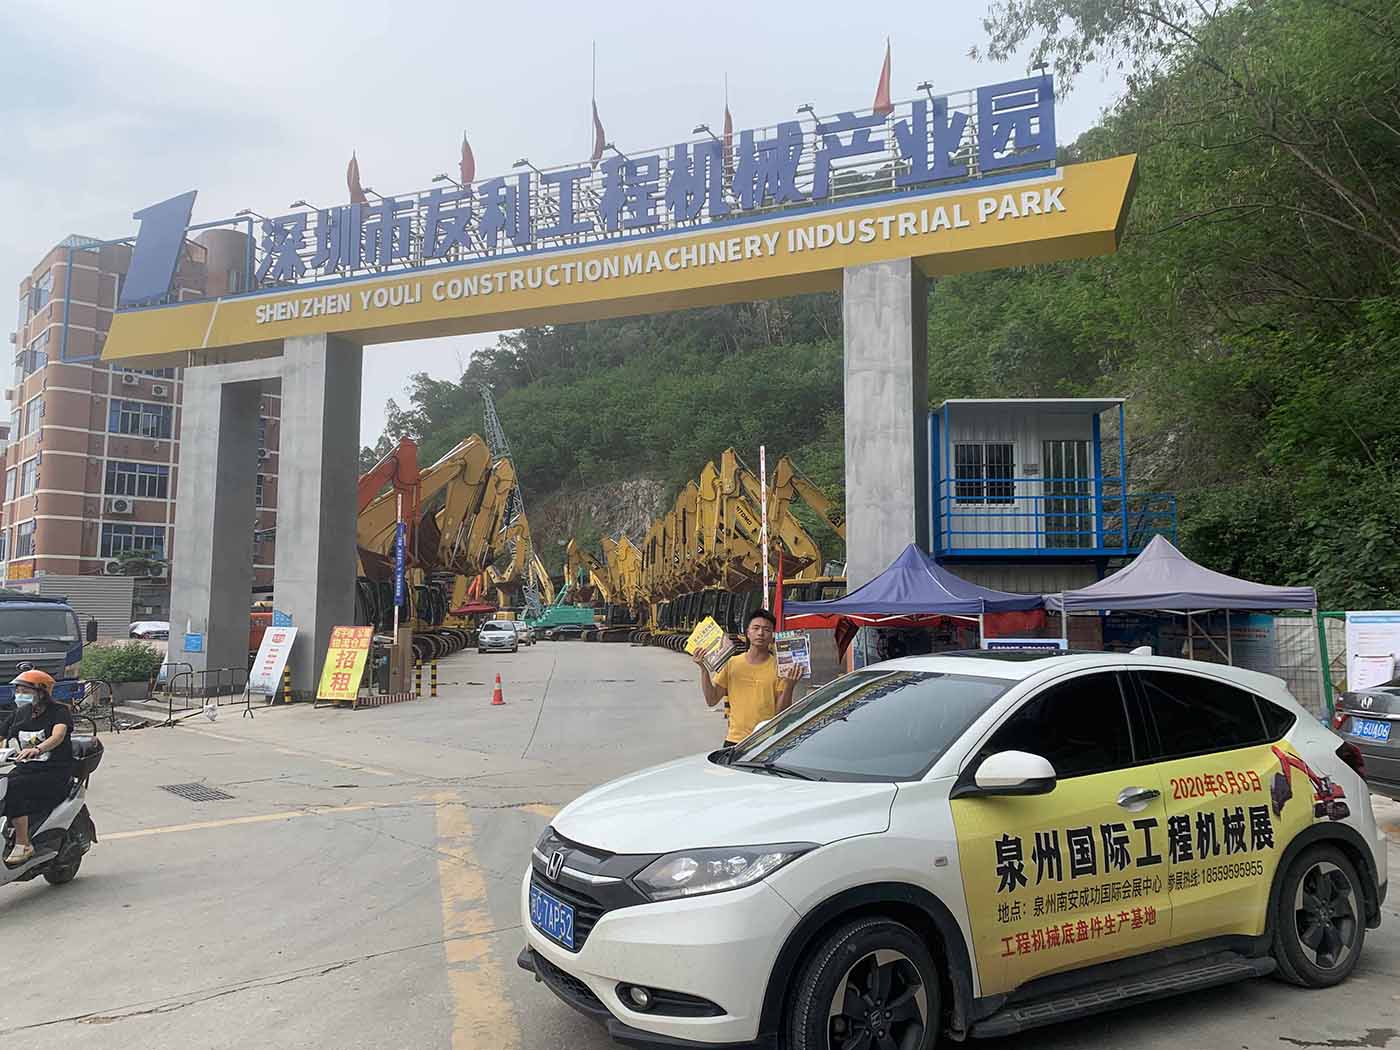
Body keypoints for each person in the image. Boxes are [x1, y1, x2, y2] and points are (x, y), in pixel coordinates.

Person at [695, 608, 801, 746]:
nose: (760, 633)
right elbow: (711, 699)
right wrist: (703, 670)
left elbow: (781, 713)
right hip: (734, 740)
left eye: (767, 629)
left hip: (765, 741)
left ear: (772, 636)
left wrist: (789, 685)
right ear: (748, 633)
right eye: (756, 628)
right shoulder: (732, 663)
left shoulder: (780, 667)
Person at [1, 669, 74, 866]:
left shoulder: (59, 711)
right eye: (18, 690)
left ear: (42, 692)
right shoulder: (20, 714)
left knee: (12, 788)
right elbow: (1, 736)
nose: (19, 695)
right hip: (25, 770)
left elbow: (58, 735)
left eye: (25, 690)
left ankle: (23, 844)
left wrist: (38, 749)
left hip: (54, 772)